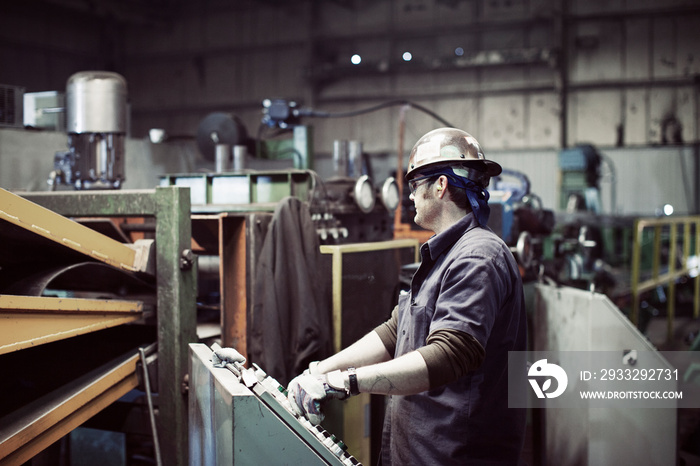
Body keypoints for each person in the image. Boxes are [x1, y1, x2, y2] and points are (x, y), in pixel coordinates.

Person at [286, 127, 527, 465]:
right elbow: (395, 331)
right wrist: (319, 371)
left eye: (415, 185)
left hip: (455, 454)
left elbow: (450, 354)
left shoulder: (478, 256)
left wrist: (345, 383)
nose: (410, 196)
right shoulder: (444, 254)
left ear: (440, 186)